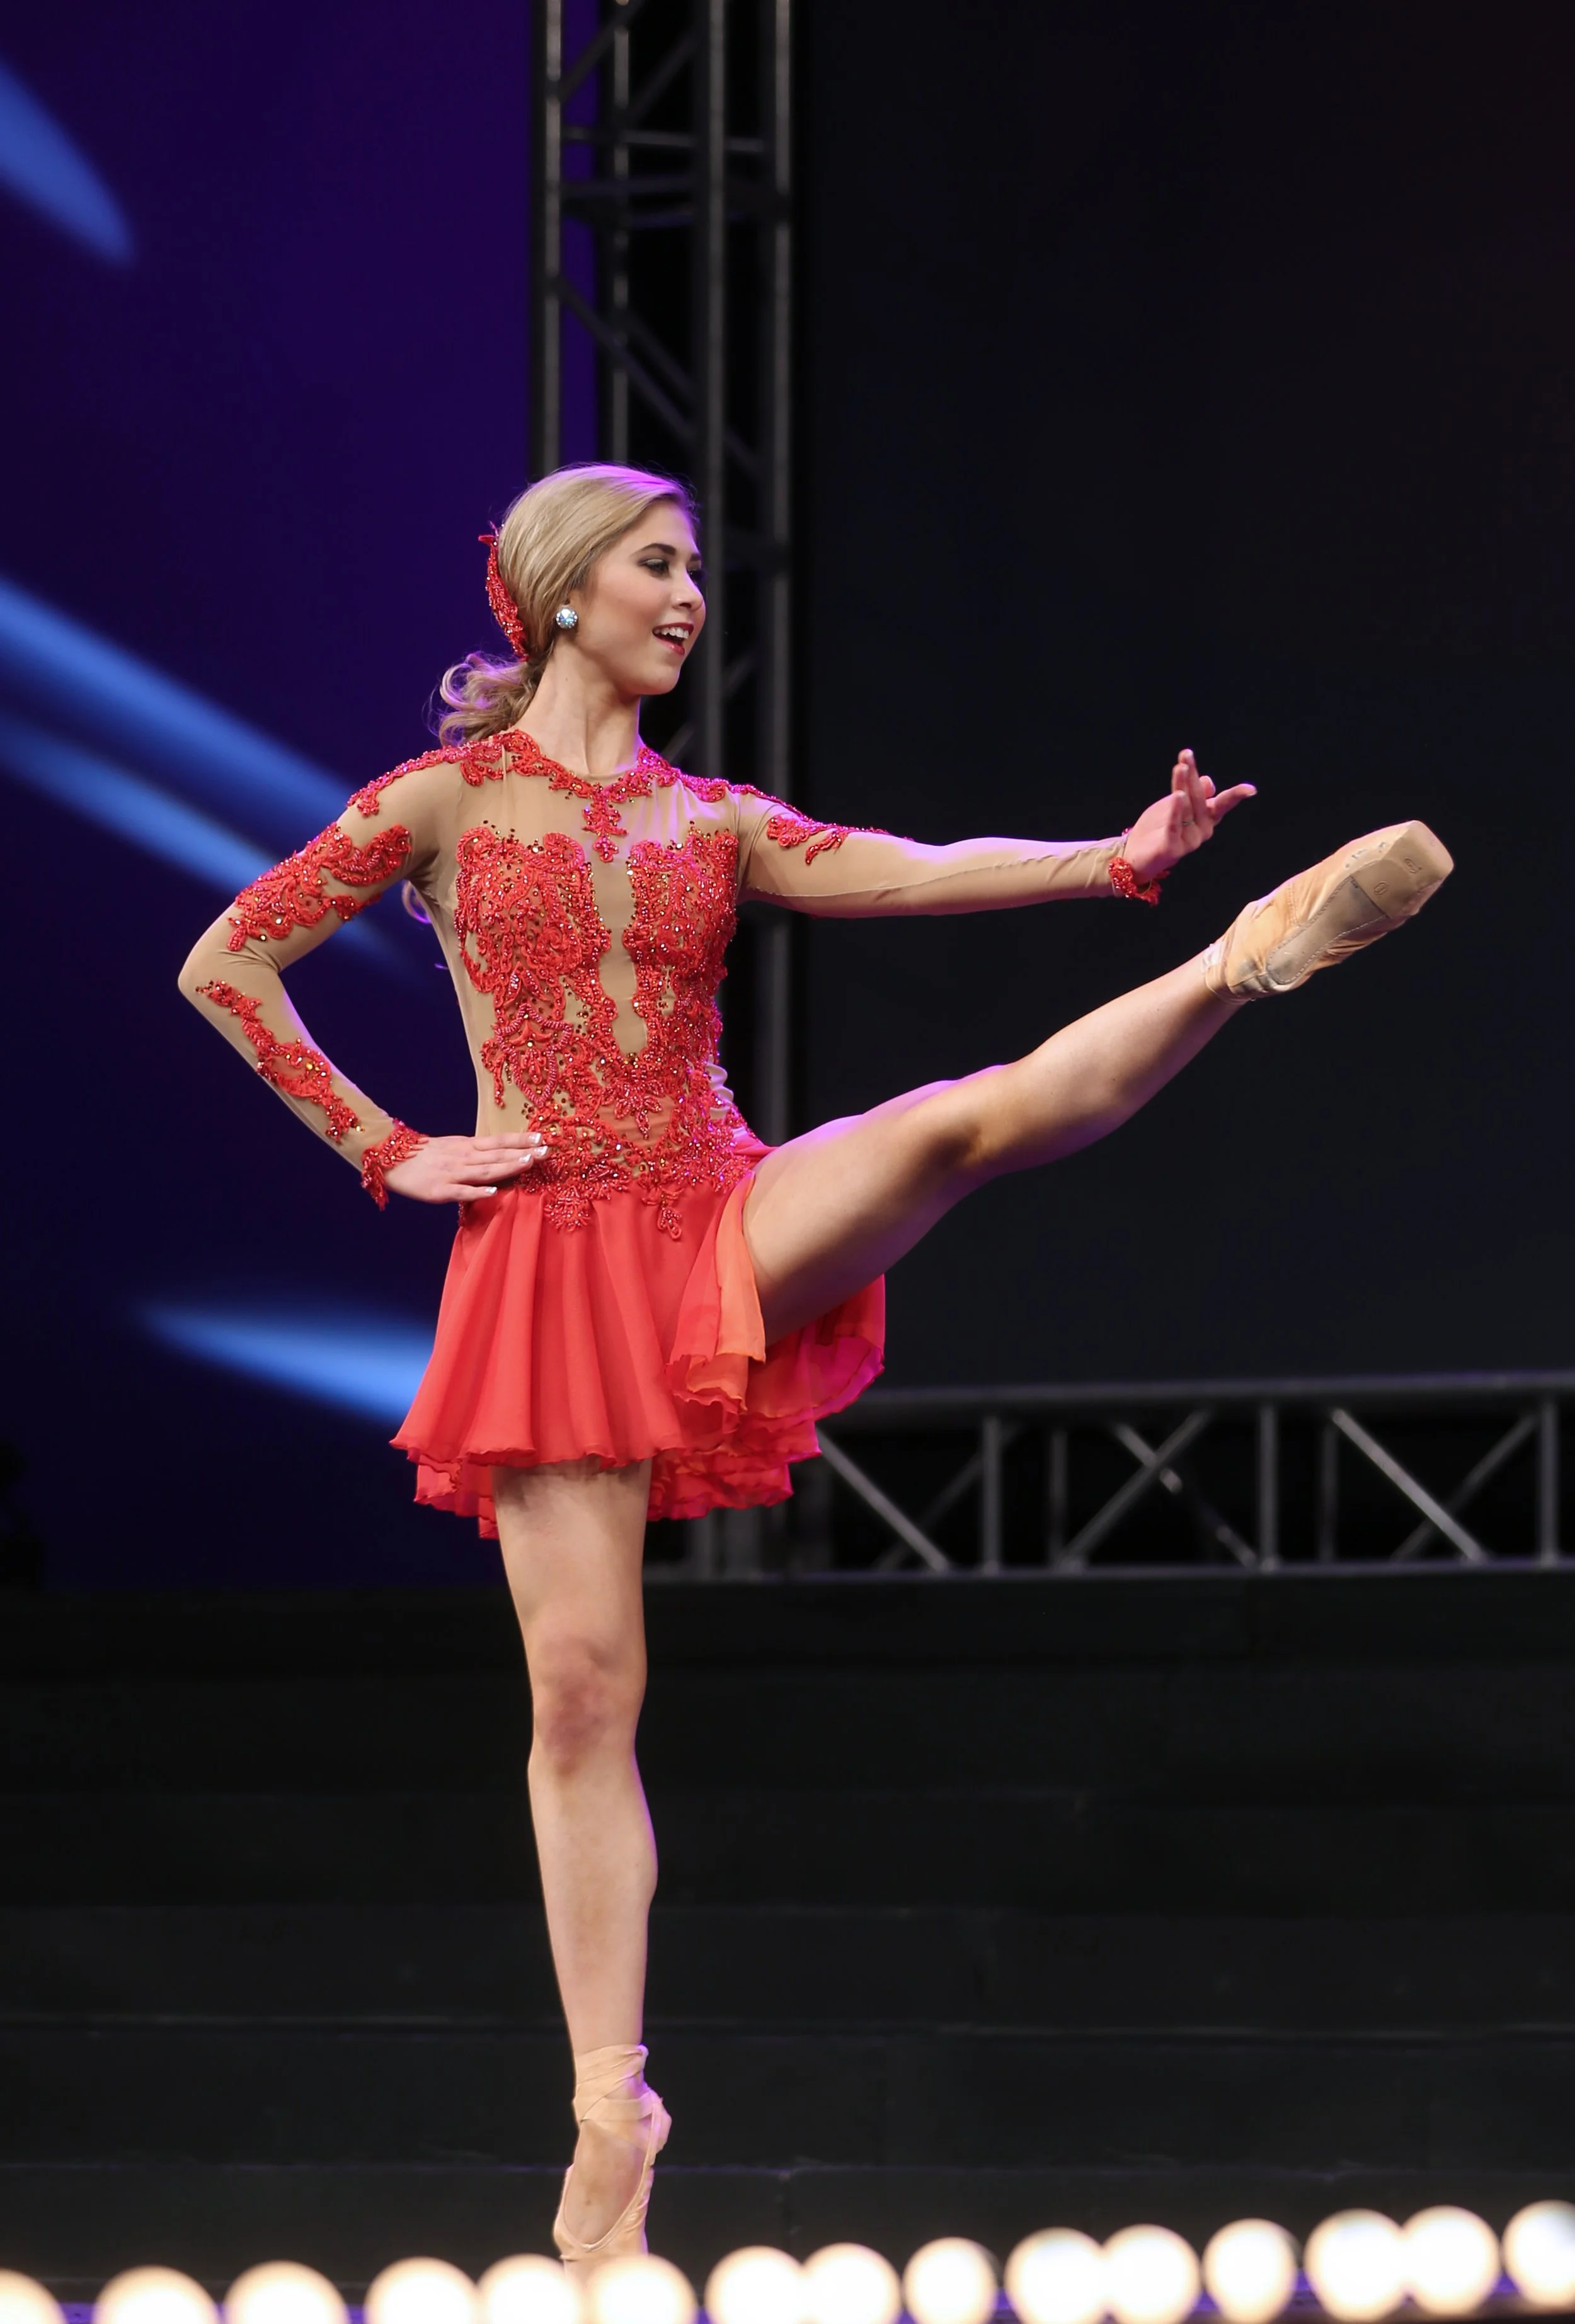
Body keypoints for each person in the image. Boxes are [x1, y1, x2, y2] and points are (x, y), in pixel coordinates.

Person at [177, 463, 1451, 2276]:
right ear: (557, 593)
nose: (689, 596)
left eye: (695, 570)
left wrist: (1114, 861)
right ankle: (609, 2107)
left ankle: (1244, 963)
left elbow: (910, 870)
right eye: (656, 566)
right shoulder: (440, 803)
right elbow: (230, 960)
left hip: (716, 1210)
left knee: (950, 1125)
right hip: (544, 1257)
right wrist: (379, 1146)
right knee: (580, 1697)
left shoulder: (709, 819)